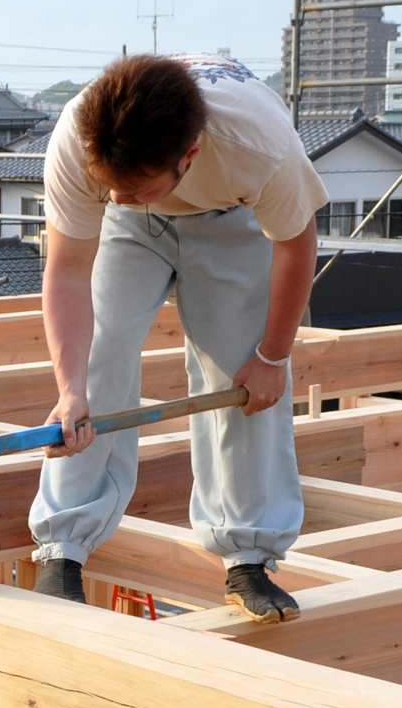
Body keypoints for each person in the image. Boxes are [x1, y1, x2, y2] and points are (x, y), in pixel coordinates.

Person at [31, 54, 327, 623]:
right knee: (95, 363)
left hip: (230, 217)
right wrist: (69, 390)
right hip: (129, 235)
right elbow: (67, 270)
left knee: (242, 379)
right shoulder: (79, 139)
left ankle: (248, 554)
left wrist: (273, 357)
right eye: (109, 186)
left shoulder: (259, 145)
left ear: (188, 156)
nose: (118, 197)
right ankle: (61, 548)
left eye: (135, 188)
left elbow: (295, 245)